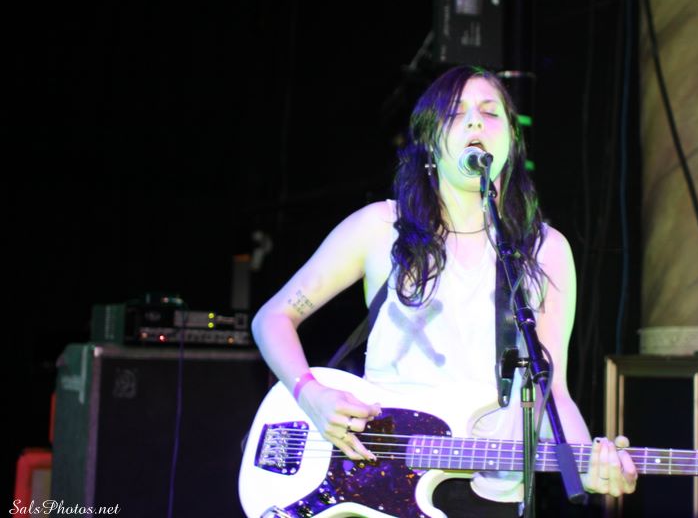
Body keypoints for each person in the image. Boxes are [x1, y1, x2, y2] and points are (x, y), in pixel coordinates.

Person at [251, 65, 637, 516]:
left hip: (492, 492)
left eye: (490, 112)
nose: (475, 122)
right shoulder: (380, 227)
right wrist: (310, 394)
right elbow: (273, 318)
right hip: (376, 477)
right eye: (456, 113)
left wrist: (586, 466)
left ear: (512, 141)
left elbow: (552, 390)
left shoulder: (545, 250)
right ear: (431, 143)